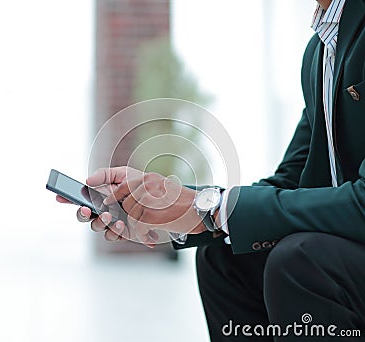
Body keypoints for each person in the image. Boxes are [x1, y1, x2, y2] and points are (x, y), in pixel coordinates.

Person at [57, 0, 365, 340]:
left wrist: (208, 208)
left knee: (301, 261)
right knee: (224, 256)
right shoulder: (320, 49)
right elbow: (294, 181)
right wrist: (172, 208)